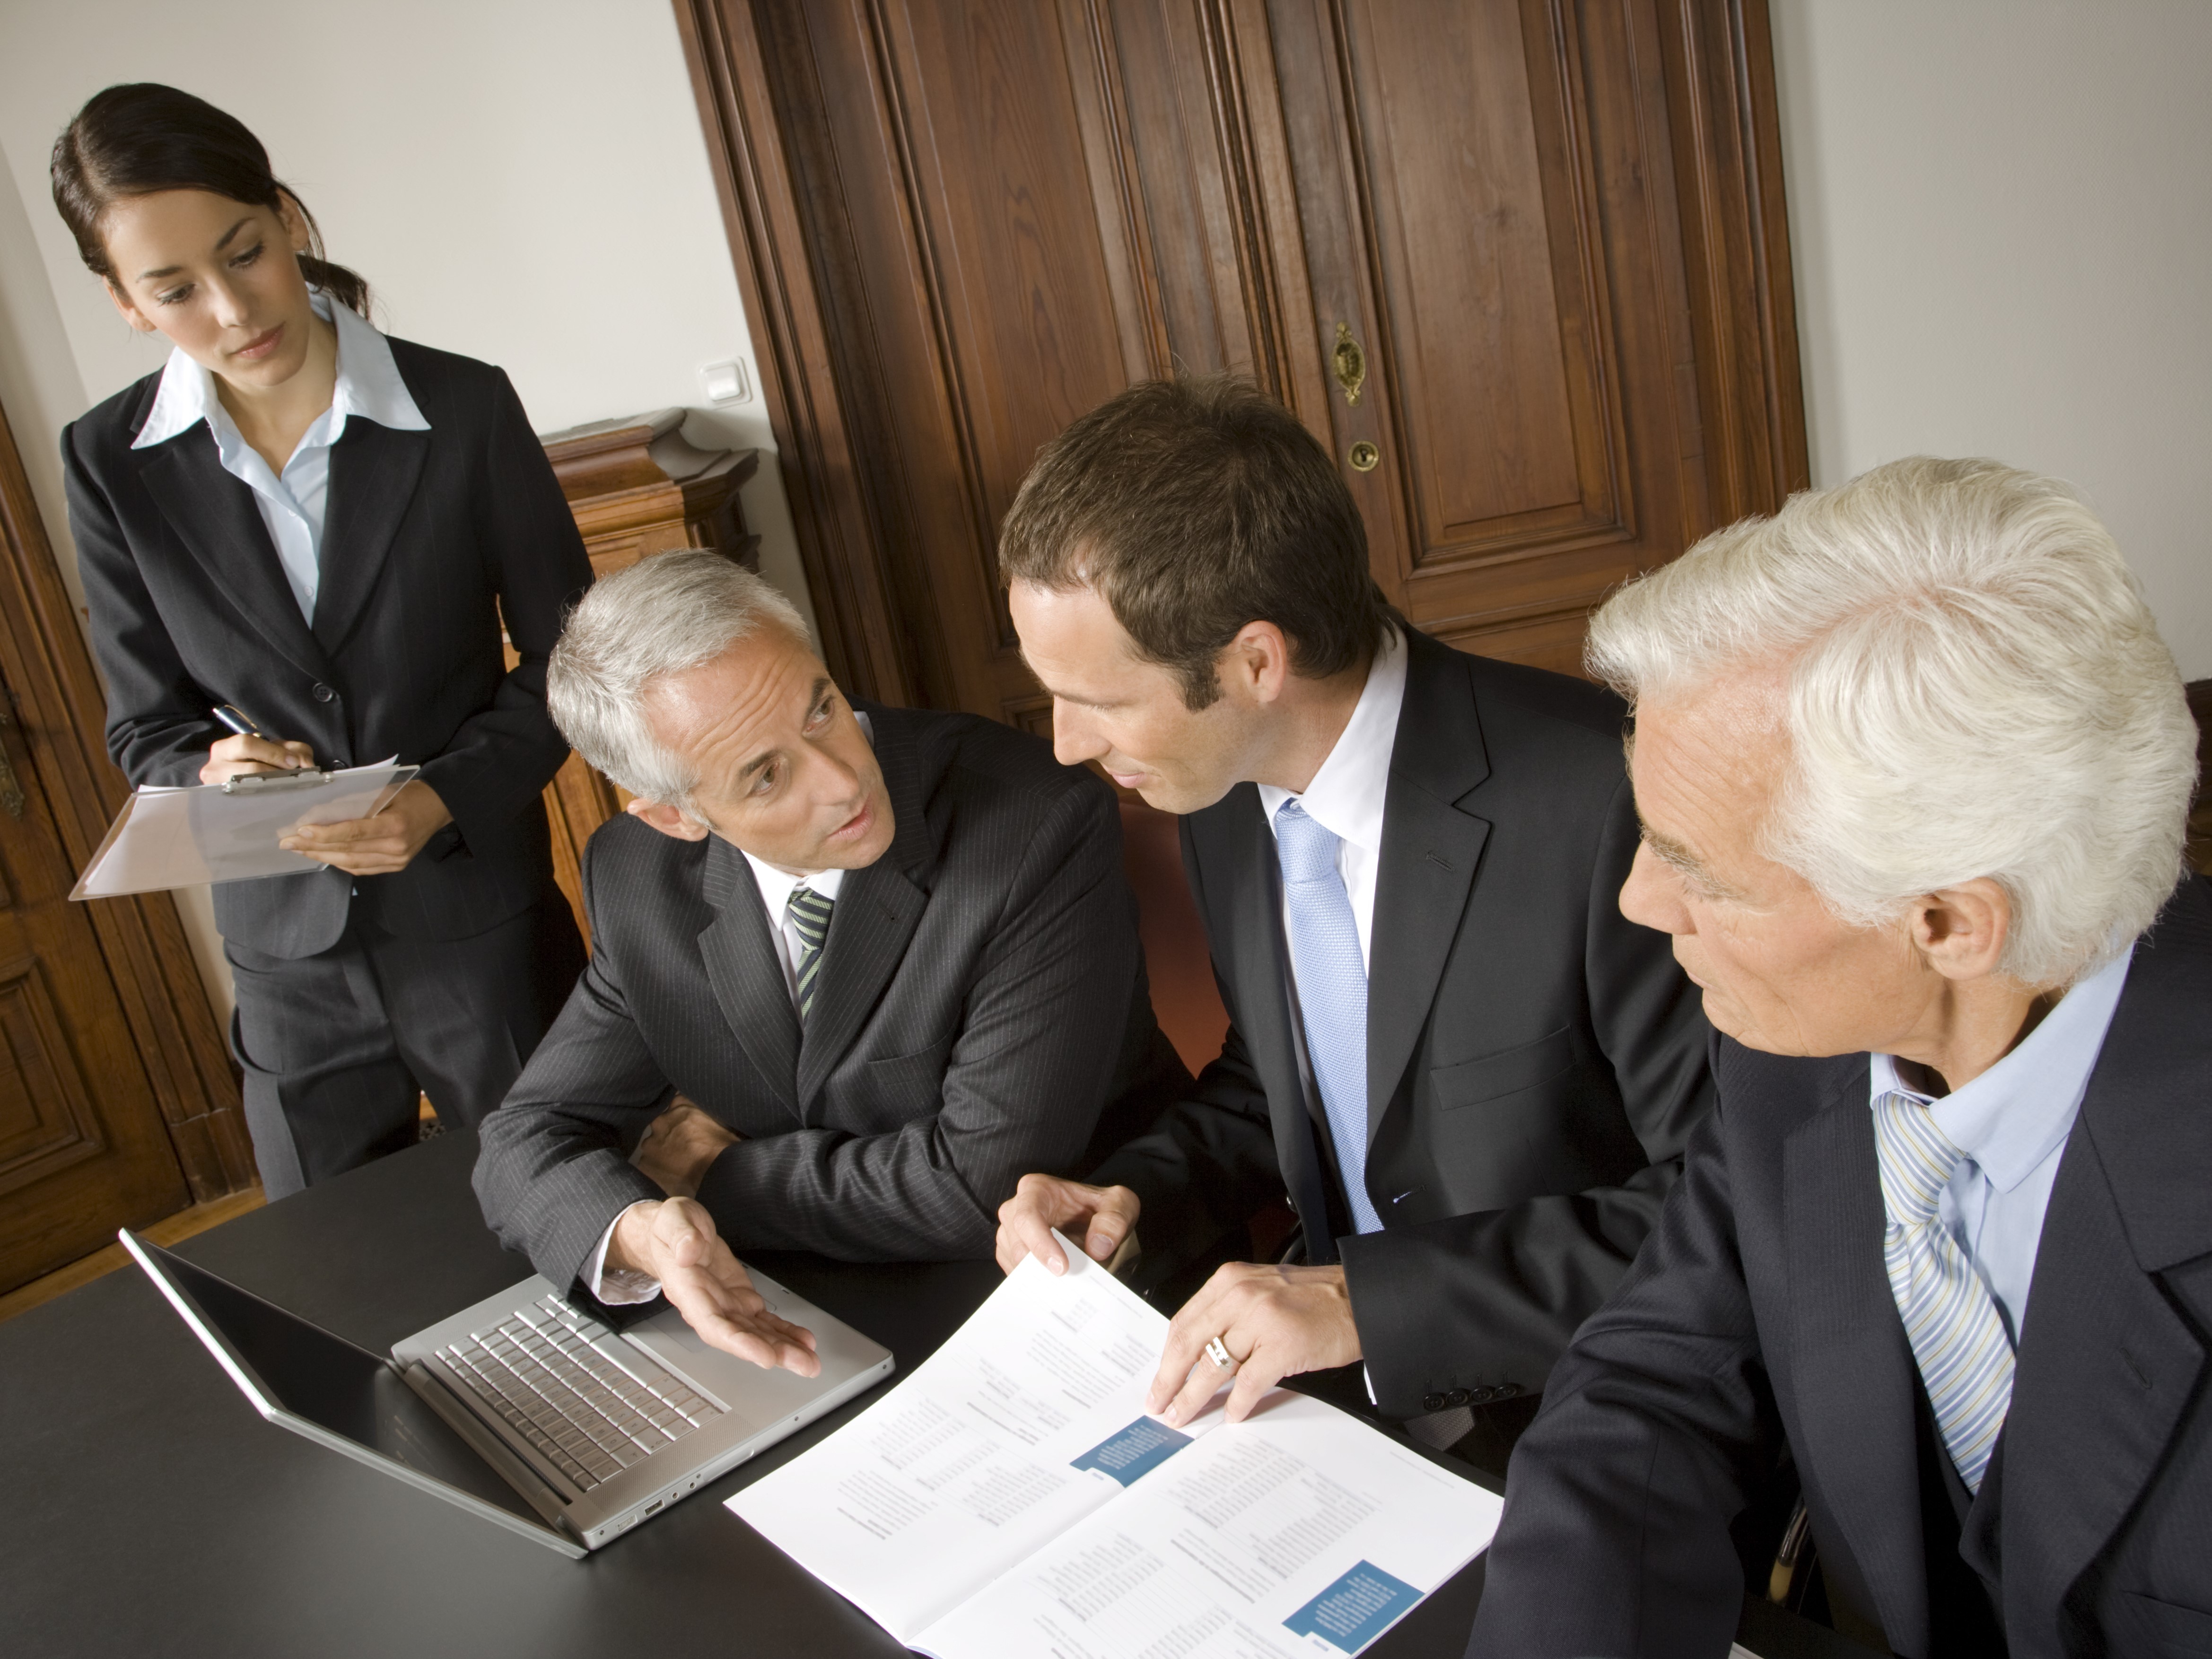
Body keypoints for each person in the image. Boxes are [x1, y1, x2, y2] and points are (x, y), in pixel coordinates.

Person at [1467, 458, 2209, 1659]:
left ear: (1949, 922)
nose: (1640, 901)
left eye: (1697, 866)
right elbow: (1654, 1380)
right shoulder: (1789, 1051)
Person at [990, 376, 1714, 1456]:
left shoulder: (1606, 801)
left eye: (1095, 700)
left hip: (1595, 1414)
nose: (1063, 743)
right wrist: (1133, 1193)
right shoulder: (1219, 785)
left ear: (1253, 663)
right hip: (1339, 1416)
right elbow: (1293, 1080)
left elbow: (1725, 1204)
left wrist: (1367, 1303)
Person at [54, 84, 591, 1198]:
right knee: (327, 1281)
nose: (232, 308)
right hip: (285, 955)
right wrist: (210, 767)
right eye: (174, 290)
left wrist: (441, 795)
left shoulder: (465, 406)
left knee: (569, 1225)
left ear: (289, 218)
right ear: (123, 302)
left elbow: (571, 666)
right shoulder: (106, 459)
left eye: (244, 253)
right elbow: (145, 724)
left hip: (478, 923)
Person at [472, 550, 1188, 1371]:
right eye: (767, 775)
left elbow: (971, 1188)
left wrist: (708, 1176)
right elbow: (527, 1134)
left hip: (1059, 1303)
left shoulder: (1031, 822)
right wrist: (638, 1230)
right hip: (794, 1309)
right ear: (675, 817)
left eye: (821, 710)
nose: (845, 781)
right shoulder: (636, 875)